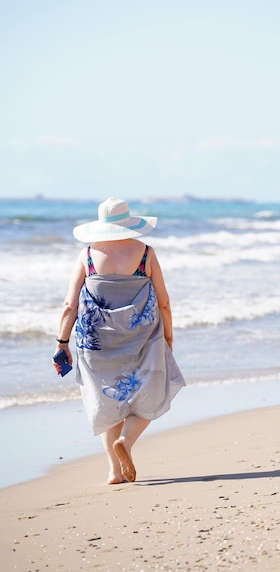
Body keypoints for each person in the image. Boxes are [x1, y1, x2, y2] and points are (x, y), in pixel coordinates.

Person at [53, 197, 185, 485]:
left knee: (105, 398)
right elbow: (163, 301)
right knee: (153, 391)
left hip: (96, 341)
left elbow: (69, 304)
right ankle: (126, 440)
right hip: (142, 338)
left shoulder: (87, 255)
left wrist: (62, 342)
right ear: (129, 222)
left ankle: (114, 471)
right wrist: (168, 338)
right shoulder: (145, 254)